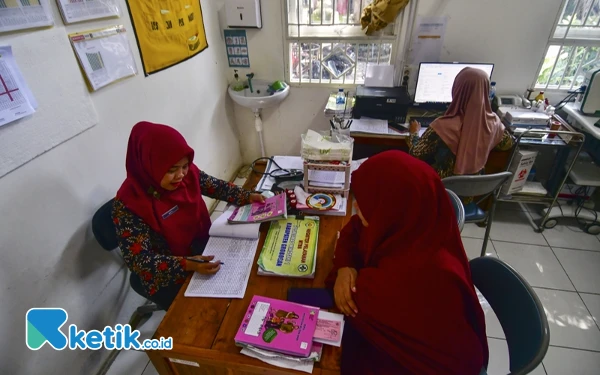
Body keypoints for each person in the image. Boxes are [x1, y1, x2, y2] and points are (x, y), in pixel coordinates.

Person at [326, 150, 488, 375]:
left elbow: (344, 298)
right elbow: (353, 229)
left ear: (391, 209)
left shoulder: (403, 279)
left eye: (365, 201)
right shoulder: (423, 228)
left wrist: (341, 271)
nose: (356, 207)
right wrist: (345, 265)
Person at [112, 121, 265, 309]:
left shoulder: (187, 173)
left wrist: (247, 196)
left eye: (184, 166)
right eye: (171, 170)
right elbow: (140, 262)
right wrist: (187, 264)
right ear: (148, 164)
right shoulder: (129, 205)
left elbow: (215, 186)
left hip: (201, 246)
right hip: (167, 271)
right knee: (208, 312)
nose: (181, 175)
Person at [408, 67, 513, 179]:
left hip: (440, 190)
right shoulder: (494, 124)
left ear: (458, 89)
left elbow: (416, 153)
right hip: (470, 193)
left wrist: (414, 133)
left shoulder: (442, 126)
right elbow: (508, 144)